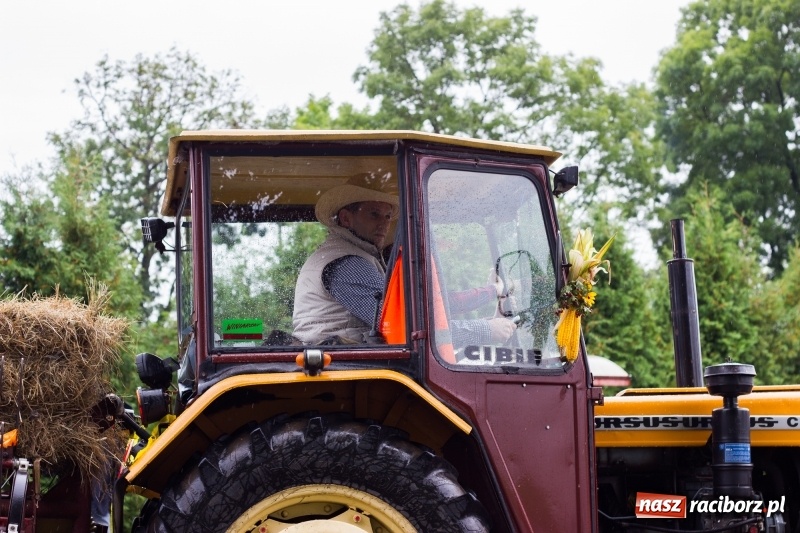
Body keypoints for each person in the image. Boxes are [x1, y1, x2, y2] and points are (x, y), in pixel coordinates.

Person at [292, 175, 516, 346]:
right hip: (339, 368)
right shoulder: (348, 263)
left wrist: (492, 292)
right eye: (374, 214)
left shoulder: (360, 255)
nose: (384, 224)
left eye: (388, 216)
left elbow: (430, 308)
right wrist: (485, 330)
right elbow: (406, 326)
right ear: (346, 218)